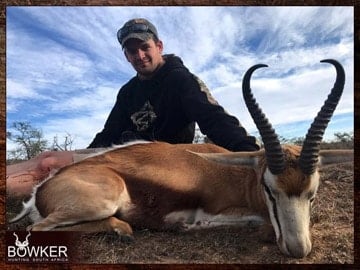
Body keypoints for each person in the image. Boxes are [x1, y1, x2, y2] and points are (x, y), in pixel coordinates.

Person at [7, 18, 259, 198]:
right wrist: (85, 155)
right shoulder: (128, 91)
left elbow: (214, 119)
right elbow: (109, 133)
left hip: (158, 161)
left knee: (50, 166)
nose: (139, 55)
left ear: (158, 46)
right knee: (45, 158)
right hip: (123, 154)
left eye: (145, 47)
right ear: (126, 56)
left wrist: (251, 153)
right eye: (131, 51)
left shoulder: (180, 79)